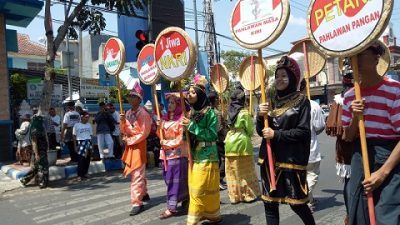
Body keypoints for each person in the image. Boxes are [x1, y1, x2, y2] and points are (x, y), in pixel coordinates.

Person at [342, 42, 400, 225]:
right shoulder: (349, 96)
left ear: (376, 58)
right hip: (361, 154)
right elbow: (347, 137)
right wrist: (355, 117)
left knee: (387, 216)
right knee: (358, 213)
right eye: (351, 57)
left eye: (360, 54)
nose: (354, 61)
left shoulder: (395, 90)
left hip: (391, 156)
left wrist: (383, 173)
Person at [257, 56, 315, 225]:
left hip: (291, 161)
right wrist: (261, 116)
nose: (279, 79)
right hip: (270, 161)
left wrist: (277, 135)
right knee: (270, 204)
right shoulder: (270, 102)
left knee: (297, 204)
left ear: (293, 78)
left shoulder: (302, 101)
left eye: (284, 75)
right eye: (277, 76)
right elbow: (261, 132)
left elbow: (303, 132)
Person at [182, 75, 222, 225]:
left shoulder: (210, 113)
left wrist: (191, 126)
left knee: (199, 190)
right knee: (200, 189)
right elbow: (187, 137)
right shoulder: (190, 113)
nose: (189, 94)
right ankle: (212, 215)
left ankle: (192, 221)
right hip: (194, 155)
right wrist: (184, 129)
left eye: (193, 92)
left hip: (208, 155)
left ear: (200, 95)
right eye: (189, 92)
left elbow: (212, 134)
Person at [326, 67, 354, 225]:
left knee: (348, 181)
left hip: (343, 146)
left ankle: (350, 215)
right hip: (354, 145)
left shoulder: (338, 99)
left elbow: (332, 128)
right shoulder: (349, 98)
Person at [224, 85, 260, 204]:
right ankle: (248, 195)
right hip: (242, 142)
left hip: (229, 142)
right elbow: (250, 130)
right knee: (246, 171)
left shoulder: (228, 112)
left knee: (232, 172)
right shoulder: (244, 113)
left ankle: (234, 197)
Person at [120, 82, 152, 216]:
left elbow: (144, 133)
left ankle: (136, 202)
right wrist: (122, 122)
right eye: (129, 96)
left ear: (139, 99)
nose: (130, 98)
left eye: (133, 96)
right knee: (138, 173)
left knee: (137, 174)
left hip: (138, 146)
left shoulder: (143, 113)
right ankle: (143, 193)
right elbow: (125, 130)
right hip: (130, 146)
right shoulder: (127, 112)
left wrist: (130, 140)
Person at [157, 93, 189, 219]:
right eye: (168, 102)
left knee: (173, 182)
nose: (169, 105)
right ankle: (185, 198)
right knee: (168, 179)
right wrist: (159, 127)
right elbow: (160, 137)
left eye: (172, 103)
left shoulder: (181, 120)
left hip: (177, 154)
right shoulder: (164, 119)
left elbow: (182, 139)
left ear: (178, 105)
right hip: (165, 155)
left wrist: (167, 143)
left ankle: (171, 207)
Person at [299, 80, 325, 212]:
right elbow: (319, 127)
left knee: (303, 176)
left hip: (293, 151)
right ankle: (305, 200)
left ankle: (310, 198)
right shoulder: (313, 105)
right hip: (310, 149)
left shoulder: (287, 105)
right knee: (312, 175)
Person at [20, 115, 49, 188]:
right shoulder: (34, 130)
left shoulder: (42, 128)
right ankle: (42, 182)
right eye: (39, 119)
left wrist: (47, 147)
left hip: (43, 150)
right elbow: (34, 143)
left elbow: (46, 138)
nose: (41, 120)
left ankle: (24, 180)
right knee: (41, 167)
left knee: (39, 167)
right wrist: (36, 154)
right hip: (38, 151)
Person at [208, 91, 228, 190]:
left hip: (208, 140)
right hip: (218, 139)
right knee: (222, 160)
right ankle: (219, 180)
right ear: (215, 100)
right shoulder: (216, 113)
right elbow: (220, 128)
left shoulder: (207, 111)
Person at [73, 111, 93, 181]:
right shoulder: (76, 125)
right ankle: (79, 175)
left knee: (87, 159)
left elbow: (91, 135)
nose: (87, 119)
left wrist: (91, 144)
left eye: (88, 117)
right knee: (81, 159)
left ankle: (85, 173)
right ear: (82, 117)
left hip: (88, 142)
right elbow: (74, 136)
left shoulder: (89, 125)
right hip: (81, 142)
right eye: (86, 117)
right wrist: (75, 146)